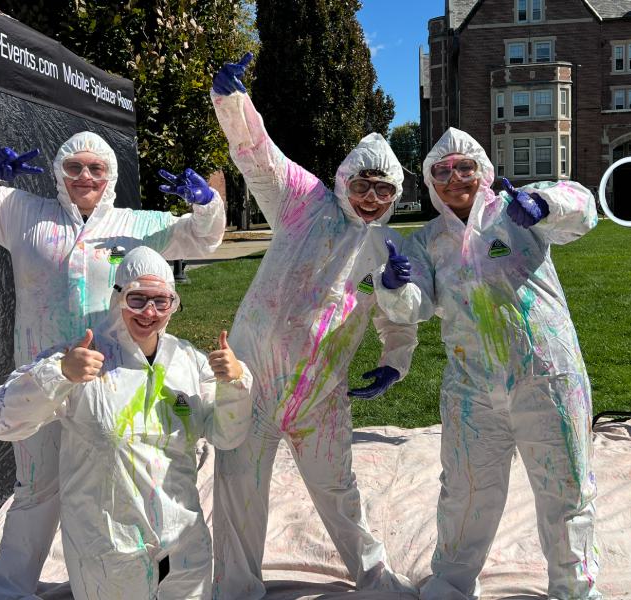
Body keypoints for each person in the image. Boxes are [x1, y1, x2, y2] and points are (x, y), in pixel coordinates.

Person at [0, 131, 226, 599]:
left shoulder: (137, 223)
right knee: (33, 489)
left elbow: (205, 238)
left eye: (96, 169)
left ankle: (110, 577)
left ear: (110, 175)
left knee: (106, 485)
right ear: (58, 172)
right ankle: (8, 591)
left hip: (110, 382)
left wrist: (206, 202)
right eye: (74, 168)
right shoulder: (24, 213)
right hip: (42, 379)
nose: (85, 177)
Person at [209, 53, 419, 599]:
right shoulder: (302, 203)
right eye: (364, 185)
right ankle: (235, 589)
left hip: (321, 396)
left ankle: (374, 579)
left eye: (384, 191)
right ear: (346, 179)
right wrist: (234, 102)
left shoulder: (387, 248)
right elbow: (258, 156)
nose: (371, 199)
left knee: (338, 491)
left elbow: (400, 320)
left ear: (396, 195)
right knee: (237, 491)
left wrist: (393, 363)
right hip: (251, 381)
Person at [373, 127, 601, 599]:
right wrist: (394, 287)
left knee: (566, 487)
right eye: (442, 171)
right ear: (430, 181)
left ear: (483, 171)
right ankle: (452, 581)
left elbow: (581, 208)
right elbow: (415, 305)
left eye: (465, 168)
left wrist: (547, 207)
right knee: (465, 491)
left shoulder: (515, 211)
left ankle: (574, 587)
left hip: (547, 376)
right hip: (472, 387)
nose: (455, 178)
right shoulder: (427, 241)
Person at [0, 246, 253, 600]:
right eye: (137, 299)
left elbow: (227, 436)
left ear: (174, 304)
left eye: (161, 301)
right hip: (108, 551)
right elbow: (0, 419)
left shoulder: (188, 362)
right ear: (118, 298)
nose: (149, 312)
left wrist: (234, 385)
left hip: (184, 547)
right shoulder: (85, 359)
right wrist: (59, 374)